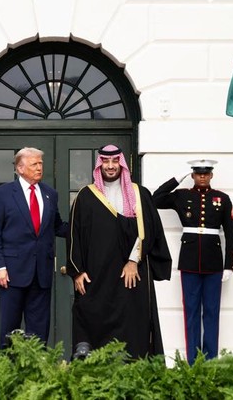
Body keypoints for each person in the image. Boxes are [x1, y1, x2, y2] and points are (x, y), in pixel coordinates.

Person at [66, 145, 172, 358]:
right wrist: (77, 271)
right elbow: (73, 236)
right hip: (97, 275)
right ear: (100, 165)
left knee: (133, 324)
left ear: (122, 163)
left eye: (115, 161)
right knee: (91, 318)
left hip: (131, 275)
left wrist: (134, 261)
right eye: (106, 161)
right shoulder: (85, 196)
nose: (111, 166)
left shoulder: (140, 194)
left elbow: (149, 231)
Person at [152, 159, 233, 362]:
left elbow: (231, 234)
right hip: (189, 261)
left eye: (206, 173)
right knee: (191, 312)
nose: (202, 177)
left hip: (214, 263)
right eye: (198, 173)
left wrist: (229, 265)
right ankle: (193, 360)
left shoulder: (222, 199)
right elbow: (155, 199)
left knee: (211, 312)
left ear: (211, 175)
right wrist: (176, 179)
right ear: (192, 175)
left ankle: (211, 359)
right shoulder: (182, 196)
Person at [0, 147, 67, 347]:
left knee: (39, 331)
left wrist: (84, 225)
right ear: (20, 168)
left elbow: (57, 226)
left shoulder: (50, 193)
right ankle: (7, 371)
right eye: (34, 164)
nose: (39, 168)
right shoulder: (2, 194)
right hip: (11, 273)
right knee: (9, 330)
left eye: (41, 163)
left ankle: (37, 371)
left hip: (41, 272)